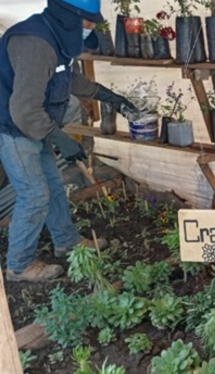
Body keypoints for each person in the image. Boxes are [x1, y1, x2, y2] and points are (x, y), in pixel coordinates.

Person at [0, 0, 138, 281]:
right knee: (34, 194)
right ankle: (19, 266)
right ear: (69, 16)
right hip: (13, 128)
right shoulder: (34, 43)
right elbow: (24, 111)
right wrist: (59, 138)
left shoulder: (52, 35)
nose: (90, 28)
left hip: (35, 126)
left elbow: (67, 78)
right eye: (88, 22)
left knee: (52, 185)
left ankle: (67, 242)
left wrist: (109, 96)